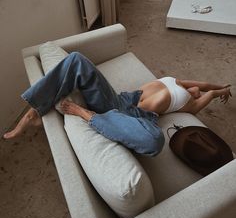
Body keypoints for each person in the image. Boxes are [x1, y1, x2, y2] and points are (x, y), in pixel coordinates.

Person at [3, 52, 232, 157]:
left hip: (135, 118)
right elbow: (203, 83)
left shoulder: (189, 105)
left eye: (197, 93)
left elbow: (208, 92)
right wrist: (216, 84)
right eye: (196, 90)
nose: (196, 91)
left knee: (154, 140)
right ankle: (34, 111)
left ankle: (86, 114)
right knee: (76, 60)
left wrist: (218, 92)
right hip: (120, 101)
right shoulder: (177, 81)